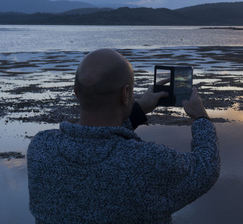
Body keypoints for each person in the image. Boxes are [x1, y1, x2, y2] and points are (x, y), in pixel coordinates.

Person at [27, 48, 220, 224]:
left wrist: (138, 110)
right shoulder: (145, 161)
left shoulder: (41, 148)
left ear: (76, 92)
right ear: (126, 93)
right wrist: (201, 118)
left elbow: (98, 136)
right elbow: (205, 169)